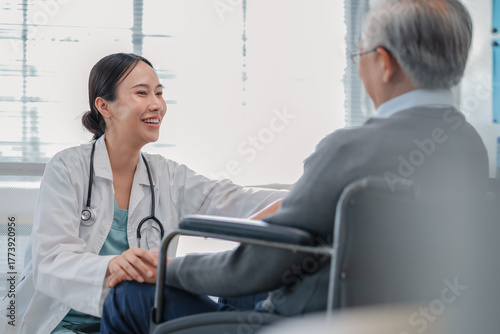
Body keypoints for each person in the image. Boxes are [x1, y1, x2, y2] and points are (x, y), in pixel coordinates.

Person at [100, 0, 490, 333]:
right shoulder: (468, 146)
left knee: (126, 296)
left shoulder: (349, 149)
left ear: (384, 64)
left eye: (360, 57)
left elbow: (252, 268)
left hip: (301, 320)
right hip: (391, 315)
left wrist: (168, 266)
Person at [0, 53, 288, 334]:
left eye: (159, 93)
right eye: (142, 93)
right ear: (105, 106)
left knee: (253, 277)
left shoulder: (167, 175)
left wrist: (316, 197)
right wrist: (110, 265)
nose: (156, 105)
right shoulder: (67, 168)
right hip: (62, 322)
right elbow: (50, 261)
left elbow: (232, 199)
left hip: (135, 319)